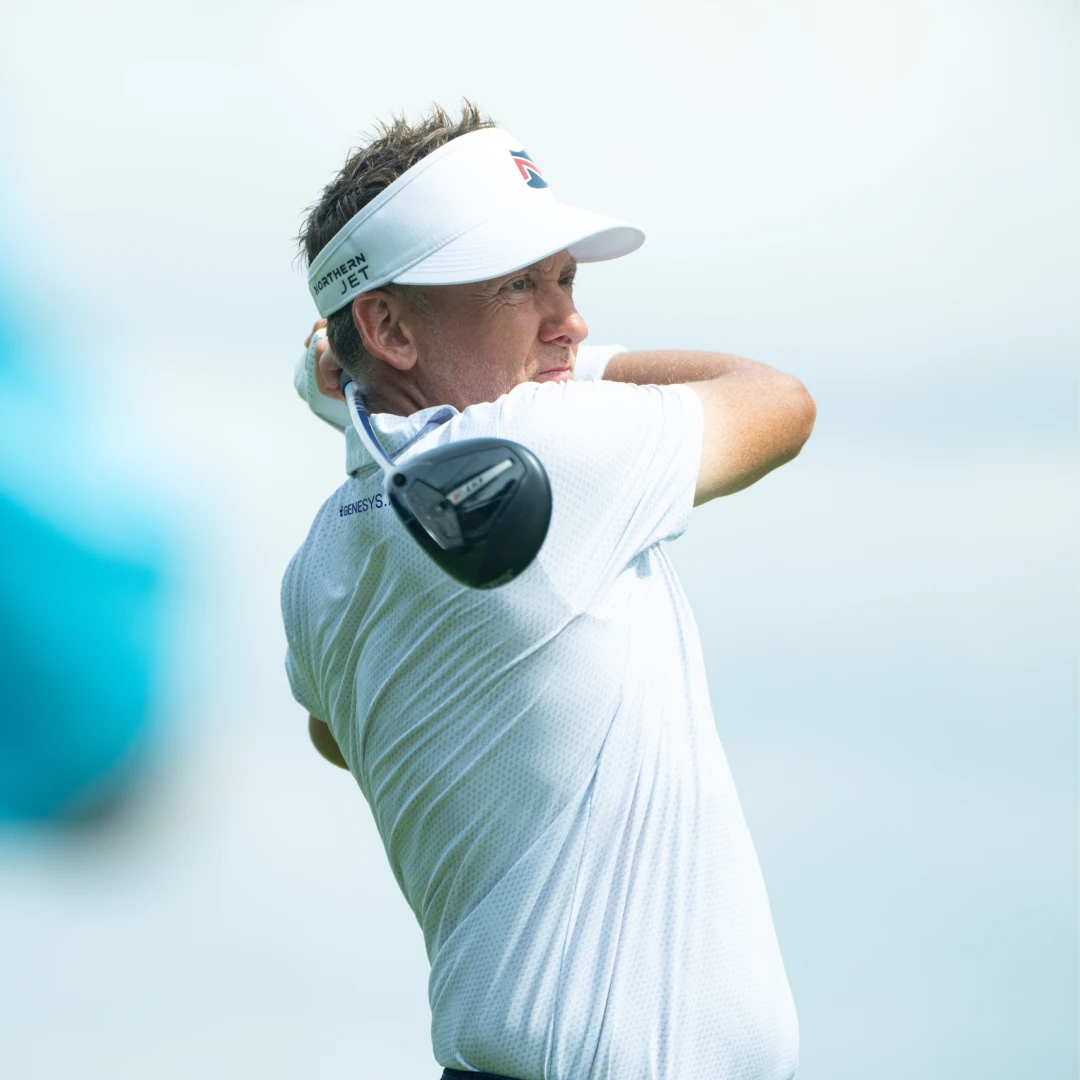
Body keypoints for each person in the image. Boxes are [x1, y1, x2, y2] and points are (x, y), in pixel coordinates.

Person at [282, 103, 816, 1080]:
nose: (569, 320)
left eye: (565, 280)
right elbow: (780, 401)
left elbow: (332, 735)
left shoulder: (319, 563)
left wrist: (364, 399)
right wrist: (581, 376)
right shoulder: (553, 453)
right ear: (389, 326)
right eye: (519, 288)